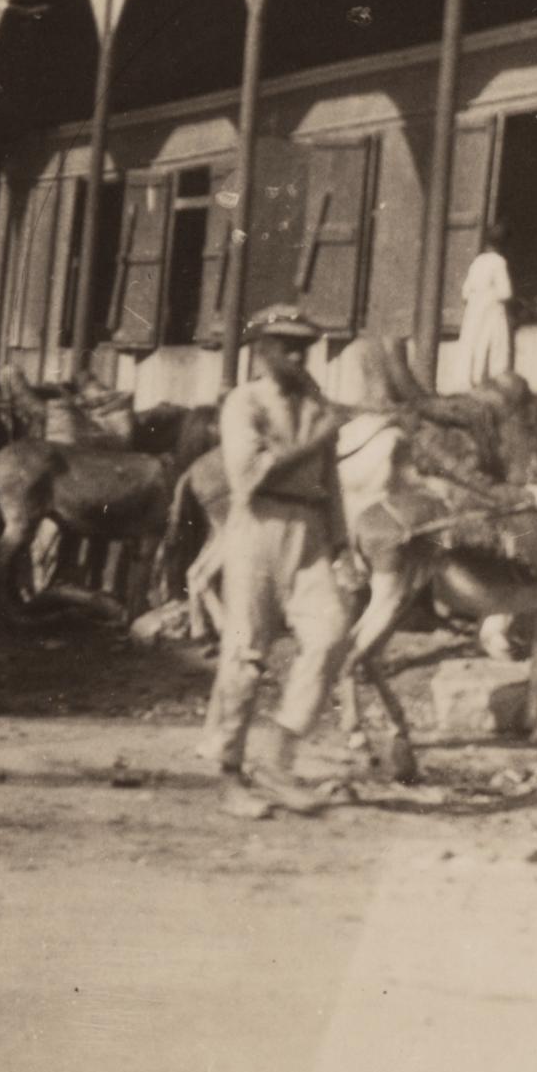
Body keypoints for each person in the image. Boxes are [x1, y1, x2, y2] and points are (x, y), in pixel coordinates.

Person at [198, 303, 359, 821]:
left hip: (310, 530)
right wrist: (318, 438)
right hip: (258, 528)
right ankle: (228, 773)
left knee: (331, 633)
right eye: (286, 347)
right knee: (246, 653)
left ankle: (277, 761)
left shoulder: (315, 406)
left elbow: (330, 481)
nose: (297, 356)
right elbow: (249, 476)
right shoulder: (244, 403)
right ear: (262, 351)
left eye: (303, 348)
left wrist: (341, 544)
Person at [458, 225, 514, 389]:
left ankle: (469, 381)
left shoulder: (477, 262)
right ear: (503, 245)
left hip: (474, 309)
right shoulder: (499, 262)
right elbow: (505, 292)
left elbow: (465, 292)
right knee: (494, 343)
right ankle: (491, 382)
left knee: (472, 342)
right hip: (491, 310)